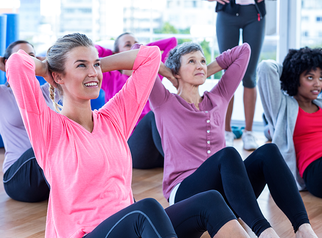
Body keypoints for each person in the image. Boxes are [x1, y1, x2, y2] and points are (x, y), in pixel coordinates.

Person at [6, 32, 253, 238]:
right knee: (146, 209)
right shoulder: (49, 128)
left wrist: (98, 63)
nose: (93, 72)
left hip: (132, 225)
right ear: (58, 76)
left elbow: (150, 57)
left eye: (96, 64)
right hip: (86, 233)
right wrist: (46, 68)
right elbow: (17, 65)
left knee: (210, 201)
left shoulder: (113, 119)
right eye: (81, 65)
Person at [149, 42, 318, 238]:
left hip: (229, 191)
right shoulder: (165, 102)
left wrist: (206, 69)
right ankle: (265, 231)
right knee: (228, 154)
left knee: (268, 152)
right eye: (192, 61)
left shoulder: (217, 97)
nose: (200, 65)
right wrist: (167, 72)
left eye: (202, 61)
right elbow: (143, 57)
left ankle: (303, 227)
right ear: (176, 71)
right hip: (186, 192)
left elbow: (244, 51)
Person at [96, 32, 177, 169]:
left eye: (136, 44)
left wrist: (141, 50)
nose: (134, 47)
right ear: (117, 53)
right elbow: (92, 50)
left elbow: (172, 41)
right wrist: (115, 56)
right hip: (133, 149)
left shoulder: (149, 73)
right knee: (154, 115)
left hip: (158, 149)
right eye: (128, 45)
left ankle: (184, 158)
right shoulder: (110, 77)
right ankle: (180, 162)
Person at [258, 47, 322, 198]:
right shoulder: (282, 106)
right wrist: (290, 71)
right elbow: (266, 68)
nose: (317, 84)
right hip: (314, 168)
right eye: (310, 77)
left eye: (321, 78)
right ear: (295, 78)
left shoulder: (320, 103)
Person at [0, 40, 60, 202]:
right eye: (18, 57)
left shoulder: (47, 92)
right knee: (44, 145)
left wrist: (44, 65)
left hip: (48, 177)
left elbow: (67, 74)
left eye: (31, 57)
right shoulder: (2, 94)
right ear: (6, 63)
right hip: (18, 179)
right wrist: (6, 64)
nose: (25, 61)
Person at [207, 0, 266, 150]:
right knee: (228, 74)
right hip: (227, 13)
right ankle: (226, 132)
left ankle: (249, 132)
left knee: (249, 76)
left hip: (254, 13)